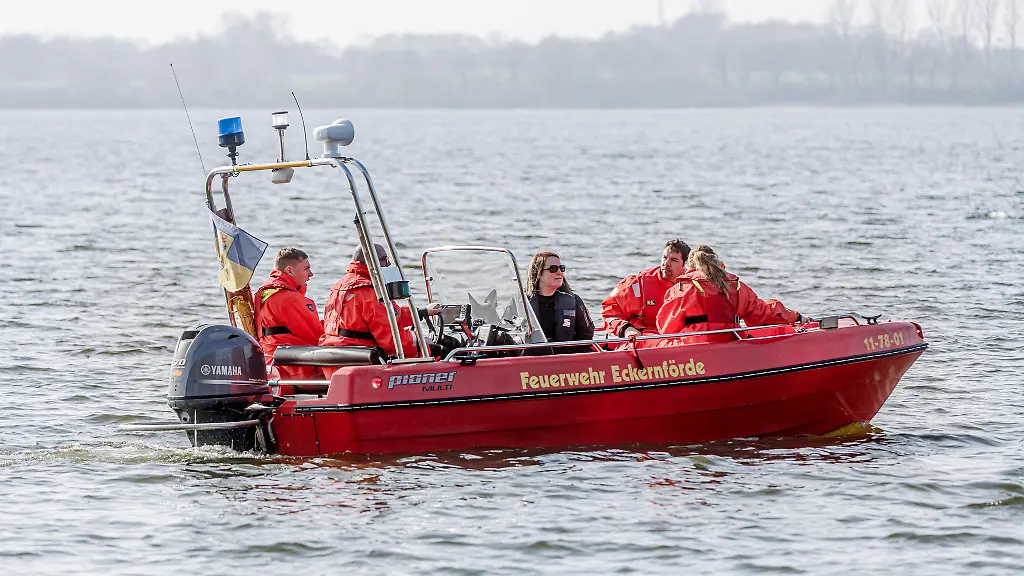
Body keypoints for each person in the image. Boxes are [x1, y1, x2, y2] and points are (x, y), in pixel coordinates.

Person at [320, 244, 440, 373]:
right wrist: (418, 338)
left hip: (336, 360)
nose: (388, 265)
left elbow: (389, 316)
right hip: (363, 362)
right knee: (443, 348)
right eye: (384, 259)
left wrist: (422, 312)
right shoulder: (371, 292)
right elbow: (393, 342)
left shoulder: (340, 286)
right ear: (371, 262)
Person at [656, 245, 801, 344]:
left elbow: (666, 328)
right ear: (718, 264)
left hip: (693, 353)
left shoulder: (682, 289)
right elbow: (764, 314)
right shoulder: (736, 286)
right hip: (731, 345)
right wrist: (796, 316)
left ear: (689, 267)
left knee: (653, 341)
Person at [252, 247, 325, 380]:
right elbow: (317, 337)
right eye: (306, 268)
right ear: (289, 270)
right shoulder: (289, 299)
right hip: (295, 369)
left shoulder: (265, 292)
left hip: (271, 364)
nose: (311, 274)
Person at [601, 239, 690, 338]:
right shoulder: (639, 284)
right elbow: (609, 311)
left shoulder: (694, 286)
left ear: (686, 266)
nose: (666, 263)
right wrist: (626, 329)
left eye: (674, 260)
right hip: (644, 339)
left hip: (681, 339)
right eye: (664, 258)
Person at [525, 252, 595, 354]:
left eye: (561, 268)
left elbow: (586, 336)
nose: (559, 272)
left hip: (566, 359)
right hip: (531, 359)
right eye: (553, 269)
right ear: (538, 273)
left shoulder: (574, 301)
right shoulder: (522, 302)